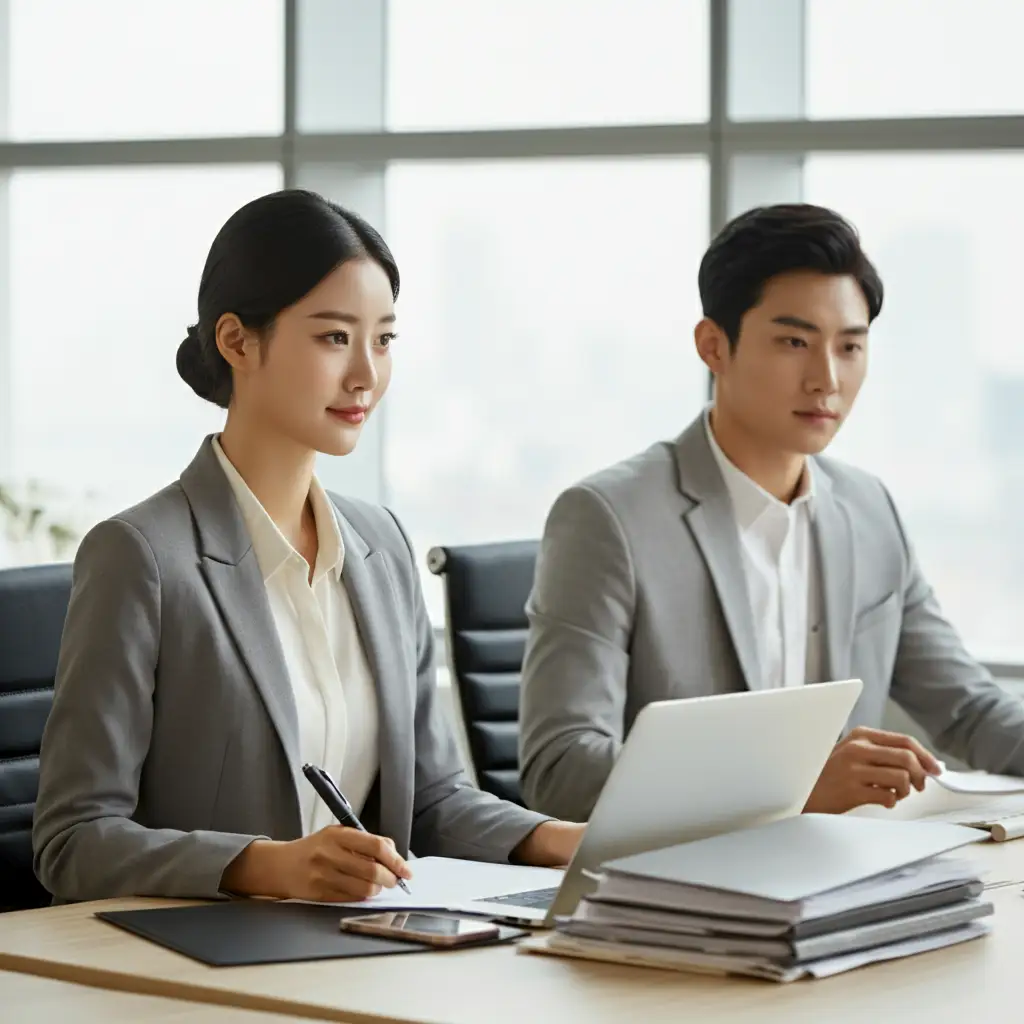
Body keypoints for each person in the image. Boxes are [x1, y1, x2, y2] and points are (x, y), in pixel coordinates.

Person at [33, 188, 583, 904]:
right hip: (203, 972)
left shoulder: (380, 546)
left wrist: (561, 839)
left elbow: (432, 802)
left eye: (383, 339)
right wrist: (265, 865)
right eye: (334, 337)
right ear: (237, 342)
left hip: (362, 949)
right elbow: (72, 840)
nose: (366, 373)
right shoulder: (141, 556)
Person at [519, 203, 1024, 822]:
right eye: (794, 342)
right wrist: (793, 788)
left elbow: (970, 711)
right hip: (683, 892)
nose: (826, 379)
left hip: (846, 876)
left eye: (850, 346)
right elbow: (562, 769)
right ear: (713, 346)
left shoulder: (869, 511)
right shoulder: (607, 519)